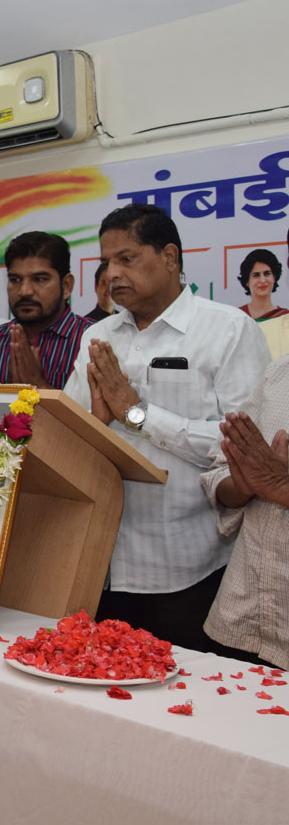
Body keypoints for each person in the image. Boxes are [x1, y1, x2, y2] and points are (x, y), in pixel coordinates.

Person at [64, 203, 269, 652]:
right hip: (104, 562)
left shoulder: (228, 329)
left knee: (196, 689)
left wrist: (138, 414)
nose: (113, 274)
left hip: (193, 564)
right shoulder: (97, 337)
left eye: (127, 258)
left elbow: (248, 448)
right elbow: (73, 434)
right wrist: (97, 421)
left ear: (170, 257)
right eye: (106, 262)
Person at [200, 364, 289, 669]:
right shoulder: (280, 372)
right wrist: (245, 484)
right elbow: (219, 474)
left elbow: (275, 483)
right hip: (242, 619)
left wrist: (281, 487)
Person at [0, 231, 94, 388]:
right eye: (15, 280)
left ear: (66, 286)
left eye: (39, 279)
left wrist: (37, 384)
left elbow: (98, 405)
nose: (24, 291)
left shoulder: (93, 341)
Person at [237, 248, 289, 322]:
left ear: (274, 277)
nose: (262, 280)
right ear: (247, 281)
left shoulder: (285, 317)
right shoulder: (238, 316)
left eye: (267, 274)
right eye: (256, 275)